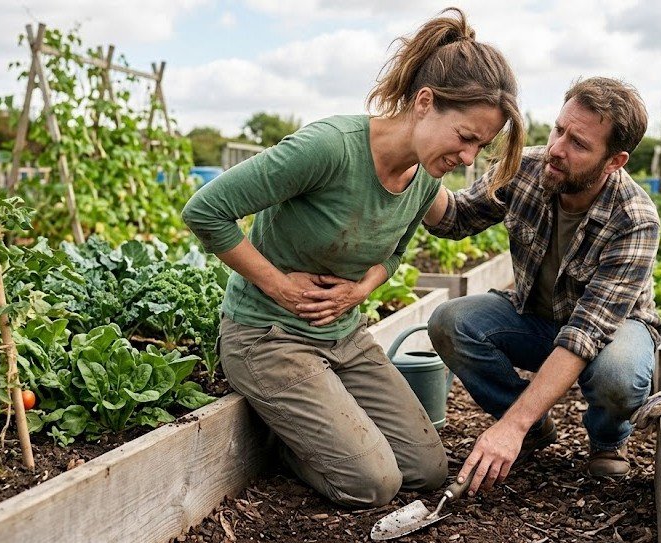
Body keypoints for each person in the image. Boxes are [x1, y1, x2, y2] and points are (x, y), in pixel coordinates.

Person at [181, 8, 525, 508]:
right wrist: (278, 285)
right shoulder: (330, 148)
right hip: (268, 336)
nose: (469, 157)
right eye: (466, 136)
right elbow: (205, 210)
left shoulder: (425, 176)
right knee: (373, 484)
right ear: (425, 102)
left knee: (428, 471)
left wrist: (364, 288)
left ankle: (322, 429)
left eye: (481, 145)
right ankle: (292, 437)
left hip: (345, 337)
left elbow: (398, 250)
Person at [423, 76, 661, 496]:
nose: (557, 148)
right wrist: (417, 165)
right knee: (450, 321)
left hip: (611, 332)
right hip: (536, 317)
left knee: (618, 375)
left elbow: (587, 333)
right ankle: (533, 427)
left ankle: (607, 440)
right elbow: (457, 217)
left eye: (579, 144)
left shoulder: (635, 219)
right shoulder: (528, 168)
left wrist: (507, 429)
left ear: (614, 161)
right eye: (559, 130)